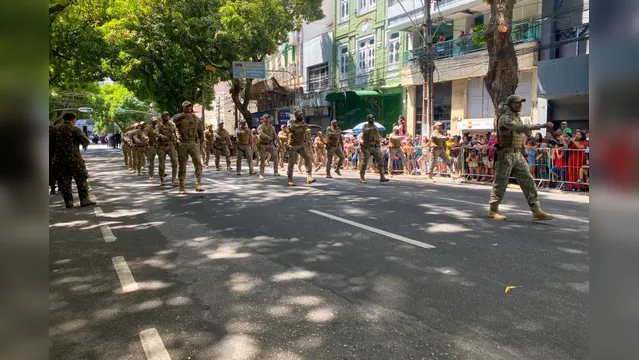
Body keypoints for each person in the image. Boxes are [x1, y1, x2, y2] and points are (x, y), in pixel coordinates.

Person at [488, 95, 555, 221]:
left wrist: (524, 152)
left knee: (528, 181)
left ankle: (536, 210)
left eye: (521, 103)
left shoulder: (517, 118)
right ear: (510, 104)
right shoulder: (504, 118)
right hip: (506, 155)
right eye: (517, 103)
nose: (520, 105)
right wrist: (542, 125)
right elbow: (519, 129)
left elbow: (520, 137)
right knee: (500, 183)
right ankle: (493, 209)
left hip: (517, 154)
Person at [53, 113, 97, 208]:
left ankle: (68, 202)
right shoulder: (75, 129)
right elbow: (85, 141)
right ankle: (84, 199)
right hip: (74, 159)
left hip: (60, 160)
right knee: (81, 178)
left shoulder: (55, 129)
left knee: (65, 181)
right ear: (73, 120)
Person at [173, 100, 205, 194]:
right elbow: (172, 121)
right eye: (186, 106)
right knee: (182, 165)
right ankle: (182, 186)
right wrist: (183, 116)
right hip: (182, 143)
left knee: (198, 163)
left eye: (189, 106)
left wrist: (201, 144)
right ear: (183, 107)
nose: (188, 108)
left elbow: (201, 131)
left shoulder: (196, 118)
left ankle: (198, 184)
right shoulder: (178, 117)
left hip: (193, 143)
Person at [286, 109, 316, 186]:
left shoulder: (303, 123)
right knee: (292, 162)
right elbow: (291, 127)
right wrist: (301, 126)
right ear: (296, 116)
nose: (302, 116)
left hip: (301, 145)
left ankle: (309, 176)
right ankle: (290, 179)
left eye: (302, 114)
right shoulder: (291, 121)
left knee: (308, 158)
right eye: (300, 114)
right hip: (292, 145)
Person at [359, 114, 389, 184]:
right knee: (365, 162)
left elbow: (377, 136)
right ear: (369, 119)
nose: (373, 119)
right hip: (367, 146)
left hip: (374, 146)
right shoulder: (365, 126)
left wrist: (378, 144)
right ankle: (362, 177)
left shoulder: (375, 127)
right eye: (372, 118)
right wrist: (369, 129)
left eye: (373, 118)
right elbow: (364, 131)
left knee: (381, 160)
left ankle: (382, 177)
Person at [155, 111, 178, 186]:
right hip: (161, 146)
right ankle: (161, 179)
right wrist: (161, 136)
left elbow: (176, 133)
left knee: (175, 161)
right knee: (162, 164)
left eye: (167, 115)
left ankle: (174, 179)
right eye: (164, 116)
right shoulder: (159, 125)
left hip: (170, 146)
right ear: (162, 117)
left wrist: (177, 139)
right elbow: (156, 133)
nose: (166, 117)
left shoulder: (172, 124)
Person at [257, 114, 279, 179]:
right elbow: (261, 134)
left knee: (275, 155)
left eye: (268, 118)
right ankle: (261, 173)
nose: (267, 119)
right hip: (263, 144)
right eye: (266, 118)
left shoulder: (272, 127)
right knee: (262, 159)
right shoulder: (260, 126)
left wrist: (278, 142)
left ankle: (276, 172)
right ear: (263, 119)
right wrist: (268, 137)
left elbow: (275, 135)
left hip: (270, 144)